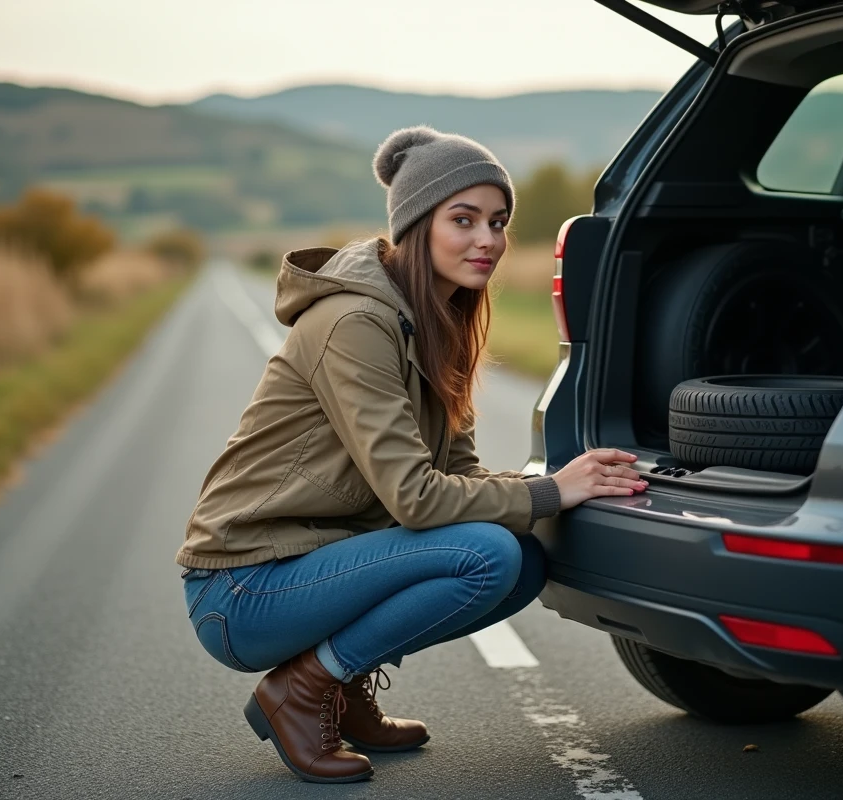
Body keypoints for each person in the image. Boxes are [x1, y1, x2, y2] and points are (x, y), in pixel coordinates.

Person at [176, 125, 649, 784]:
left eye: (499, 221)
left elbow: (459, 476)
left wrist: (563, 490)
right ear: (416, 225)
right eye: (464, 219)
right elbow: (417, 499)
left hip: (310, 568)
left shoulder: (437, 323)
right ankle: (304, 690)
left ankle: (340, 690)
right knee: (487, 554)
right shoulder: (354, 323)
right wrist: (549, 491)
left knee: (522, 563)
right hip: (243, 589)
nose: (488, 239)